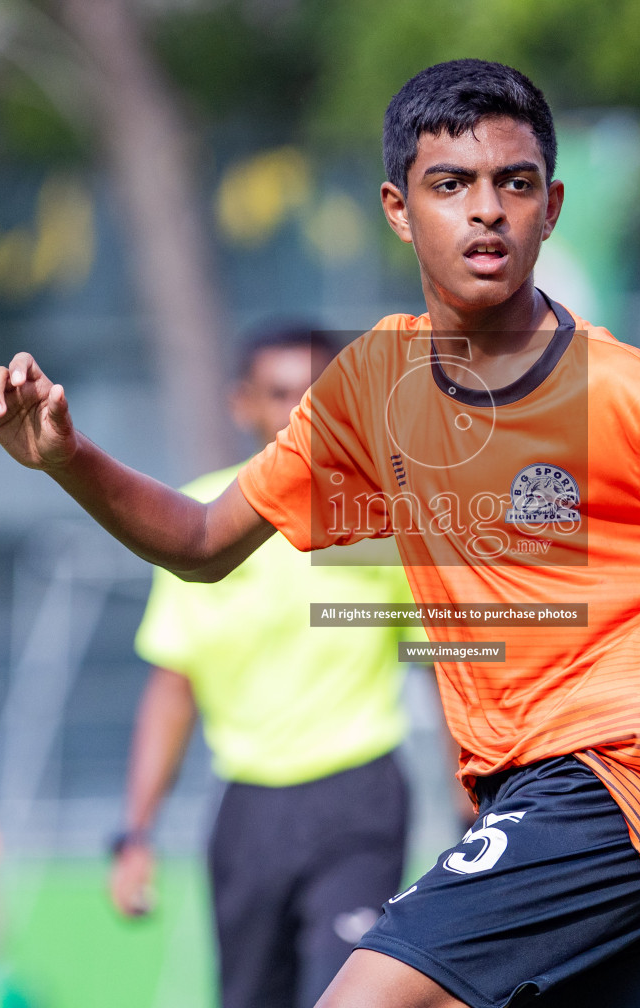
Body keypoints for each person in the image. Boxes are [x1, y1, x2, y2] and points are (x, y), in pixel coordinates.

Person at [0, 58, 640, 1008]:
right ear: (400, 209)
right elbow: (201, 541)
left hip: (619, 790)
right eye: (452, 186)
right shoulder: (371, 386)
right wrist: (68, 458)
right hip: (528, 806)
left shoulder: (634, 400)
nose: (486, 211)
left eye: (513, 185)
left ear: (551, 207)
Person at [108, 323, 421, 1008]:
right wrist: (135, 833)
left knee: (347, 998)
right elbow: (172, 686)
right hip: (247, 809)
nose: (299, 413)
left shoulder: (377, 519)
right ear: (242, 405)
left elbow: (443, 657)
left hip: (357, 794)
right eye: (281, 394)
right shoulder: (202, 520)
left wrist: (480, 799)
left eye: (317, 394)